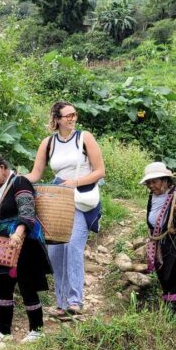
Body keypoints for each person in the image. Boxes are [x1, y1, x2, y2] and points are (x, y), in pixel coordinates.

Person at [26, 101, 106, 316]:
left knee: (73, 248)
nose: (72, 118)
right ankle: (61, 304)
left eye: (74, 114)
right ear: (57, 119)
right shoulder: (48, 143)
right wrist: (13, 179)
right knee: (55, 252)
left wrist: (75, 182)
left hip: (80, 198)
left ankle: (75, 301)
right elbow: (35, 174)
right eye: (67, 115)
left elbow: (100, 171)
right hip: (57, 202)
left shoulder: (84, 138)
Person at [0, 151, 52, 350]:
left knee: (27, 285)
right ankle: (3, 330)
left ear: (2, 167)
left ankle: (37, 330)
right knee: (3, 286)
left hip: (23, 243)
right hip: (4, 246)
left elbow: (27, 211)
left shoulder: (20, 183)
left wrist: (18, 233)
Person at [140, 162, 176, 313]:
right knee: (164, 280)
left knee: (173, 279)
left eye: (154, 181)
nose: (150, 185)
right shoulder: (152, 197)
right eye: (148, 182)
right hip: (160, 245)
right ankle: (174, 312)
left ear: (165, 180)